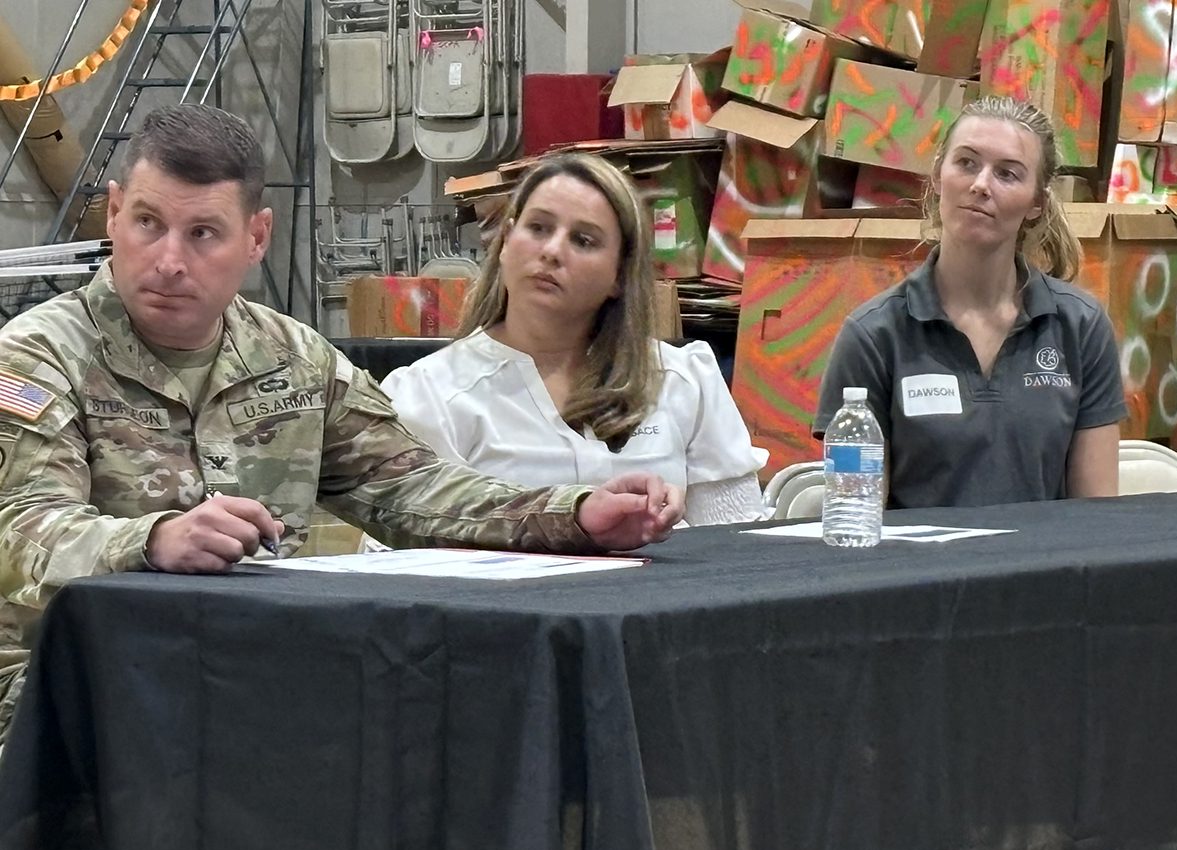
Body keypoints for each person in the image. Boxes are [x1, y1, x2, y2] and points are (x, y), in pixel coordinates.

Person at [0, 105, 684, 745]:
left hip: (253, 693)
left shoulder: (294, 360)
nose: (170, 260)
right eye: (149, 223)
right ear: (114, 213)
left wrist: (577, 514)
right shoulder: (36, 356)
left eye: (203, 233)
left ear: (256, 237)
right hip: (67, 700)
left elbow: (415, 489)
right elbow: (22, 530)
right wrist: (151, 540)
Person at [380, 153, 767, 524]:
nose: (551, 251)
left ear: (619, 275)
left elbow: (735, 548)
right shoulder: (430, 395)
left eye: (583, 240)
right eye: (538, 228)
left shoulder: (682, 381)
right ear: (506, 242)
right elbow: (395, 564)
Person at [813, 96, 1127, 508]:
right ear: (939, 176)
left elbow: (1096, 519)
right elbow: (854, 520)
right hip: (919, 572)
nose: (981, 184)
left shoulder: (1080, 327)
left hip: (1046, 570)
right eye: (966, 163)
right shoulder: (874, 335)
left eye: (1007, 174)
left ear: (1037, 204)